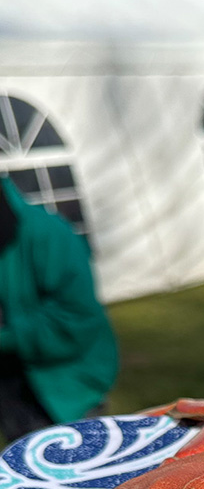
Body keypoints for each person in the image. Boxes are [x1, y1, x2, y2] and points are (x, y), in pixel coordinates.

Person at [0, 178, 117, 444]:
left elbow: (76, 319)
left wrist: (7, 336)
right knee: (26, 467)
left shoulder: (48, 234)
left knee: (85, 471)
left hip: (65, 387)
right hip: (10, 390)